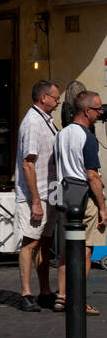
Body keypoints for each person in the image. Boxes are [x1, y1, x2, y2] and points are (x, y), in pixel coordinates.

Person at [54, 90, 105, 315]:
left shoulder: (61, 134)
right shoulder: (88, 136)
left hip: (65, 195)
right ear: (87, 111)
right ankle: (78, 300)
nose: (101, 113)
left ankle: (62, 297)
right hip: (85, 197)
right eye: (98, 109)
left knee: (68, 249)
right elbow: (92, 175)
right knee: (85, 249)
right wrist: (103, 206)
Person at [15, 80, 60, 312]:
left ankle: (44, 291)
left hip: (50, 192)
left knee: (46, 243)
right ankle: (25, 294)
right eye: (55, 97)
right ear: (44, 97)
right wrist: (35, 201)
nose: (58, 101)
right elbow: (28, 163)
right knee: (30, 242)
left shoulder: (47, 121)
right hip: (38, 194)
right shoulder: (33, 122)